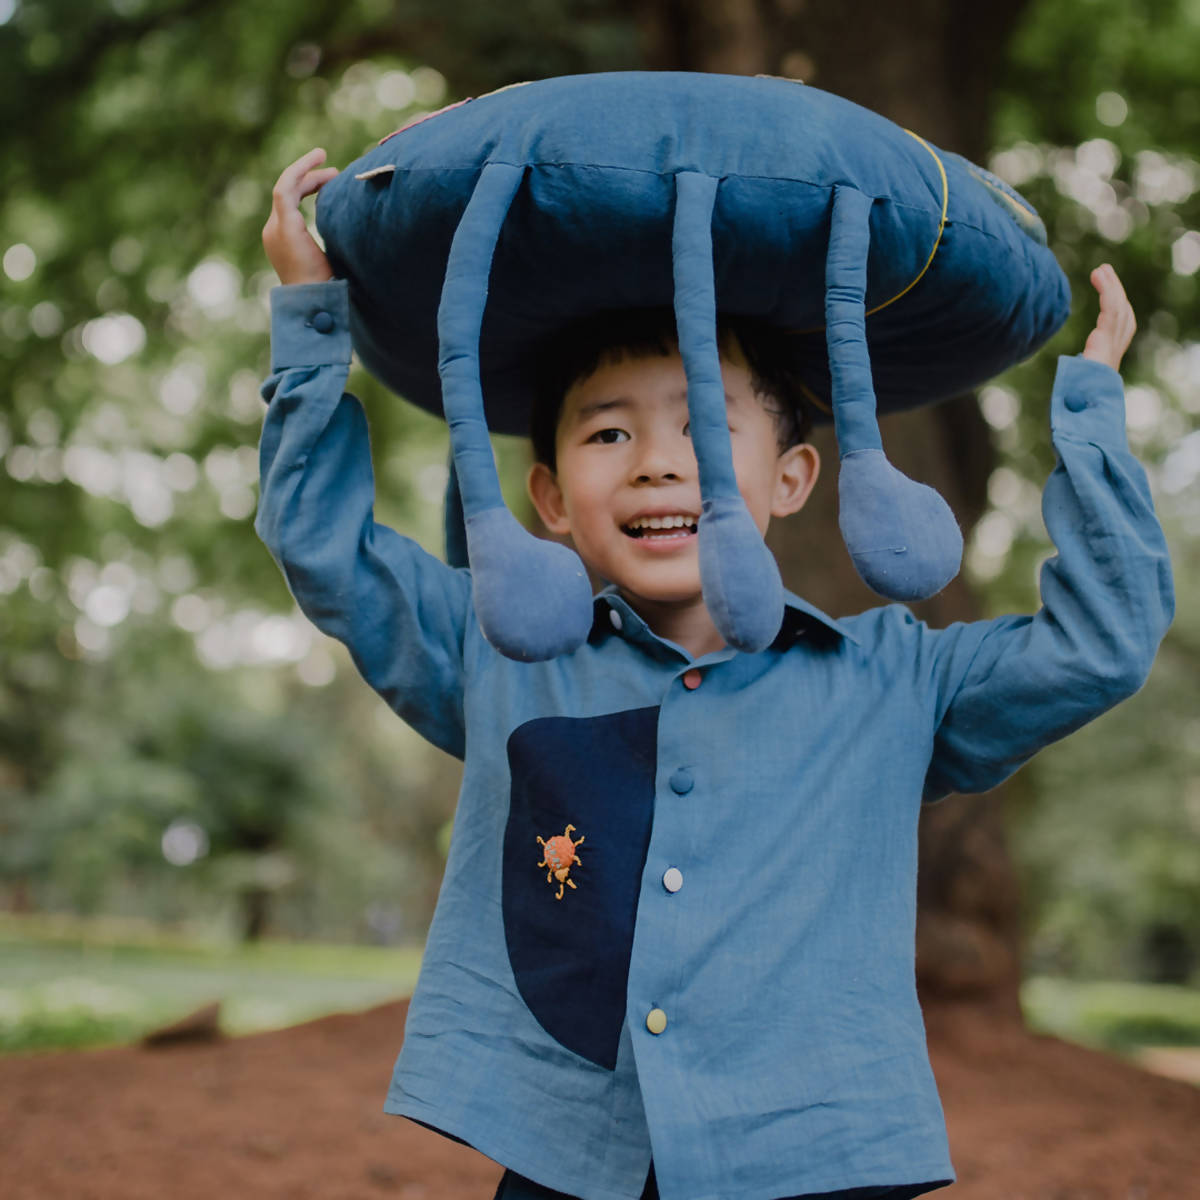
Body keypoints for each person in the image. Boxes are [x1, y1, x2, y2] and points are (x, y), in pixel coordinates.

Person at [257, 149, 1173, 1200]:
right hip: (570, 1162)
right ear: (550, 499)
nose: (657, 462)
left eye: (703, 427)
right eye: (610, 432)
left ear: (791, 478)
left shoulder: (895, 679)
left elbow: (1102, 642)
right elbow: (325, 548)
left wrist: (1096, 420)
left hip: (818, 1158)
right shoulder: (496, 651)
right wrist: (309, 313)